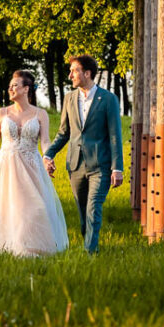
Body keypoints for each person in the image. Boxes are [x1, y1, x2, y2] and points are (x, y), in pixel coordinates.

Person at [0, 70, 69, 257]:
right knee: (10, 206)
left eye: (15, 86)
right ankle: (12, 245)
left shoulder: (40, 114)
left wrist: (48, 159)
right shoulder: (1, 113)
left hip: (31, 166)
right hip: (7, 166)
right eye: (9, 86)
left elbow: (45, 141)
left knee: (34, 207)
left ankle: (32, 245)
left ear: (26, 89)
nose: (10, 89)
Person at [42, 55, 123, 254]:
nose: (70, 75)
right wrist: (48, 154)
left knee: (93, 208)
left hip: (100, 166)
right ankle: (89, 241)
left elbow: (115, 136)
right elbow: (64, 132)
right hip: (75, 165)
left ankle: (89, 252)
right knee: (82, 213)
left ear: (87, 73)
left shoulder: (109, 99)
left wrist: (117, 168)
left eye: (74, 70)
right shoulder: (69, 98)